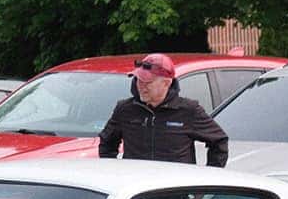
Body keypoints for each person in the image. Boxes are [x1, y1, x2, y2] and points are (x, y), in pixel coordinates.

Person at [98, 53, 228, 166]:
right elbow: (107, 142)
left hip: (174, 190)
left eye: (147, 82)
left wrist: (206, 179)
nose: (141, 87)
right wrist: (115, 172)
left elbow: (219, 141)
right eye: (138, 80)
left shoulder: (188, 110)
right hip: (136, 189)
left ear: (166, 83)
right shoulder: (125, 109)